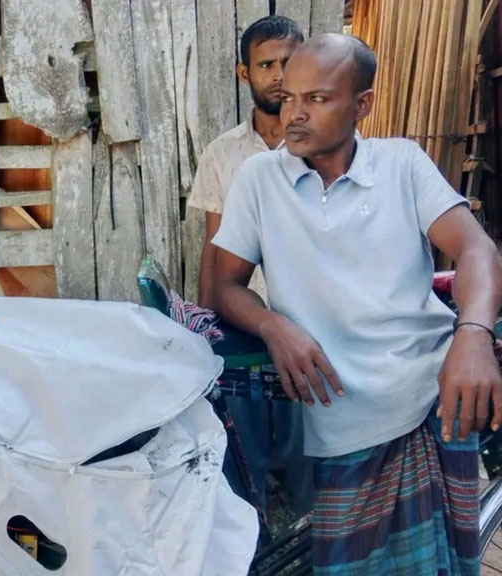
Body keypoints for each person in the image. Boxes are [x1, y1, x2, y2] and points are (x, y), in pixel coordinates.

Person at [212, 33, 502, 575]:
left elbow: (476, 248)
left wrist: (473, 335)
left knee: (446, 563)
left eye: (316, 100)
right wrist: (274, 326)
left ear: (361, 104)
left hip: (431, 401)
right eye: (290, 97)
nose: (294, 114)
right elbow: (222, 286)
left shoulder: (401, 165)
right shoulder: (259, 180)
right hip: (339, 416)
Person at [187, 15, 312, 518]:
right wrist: (205, 327)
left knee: (307, 440)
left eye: (289, 62)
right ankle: (250, 531)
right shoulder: (224, 153)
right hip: (242, 316)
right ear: (245, 74)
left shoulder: (326, 148)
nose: (279, 75)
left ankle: (312, 533)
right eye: (266, 65)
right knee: (244, 443)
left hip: (310, 322)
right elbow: (215, 245)